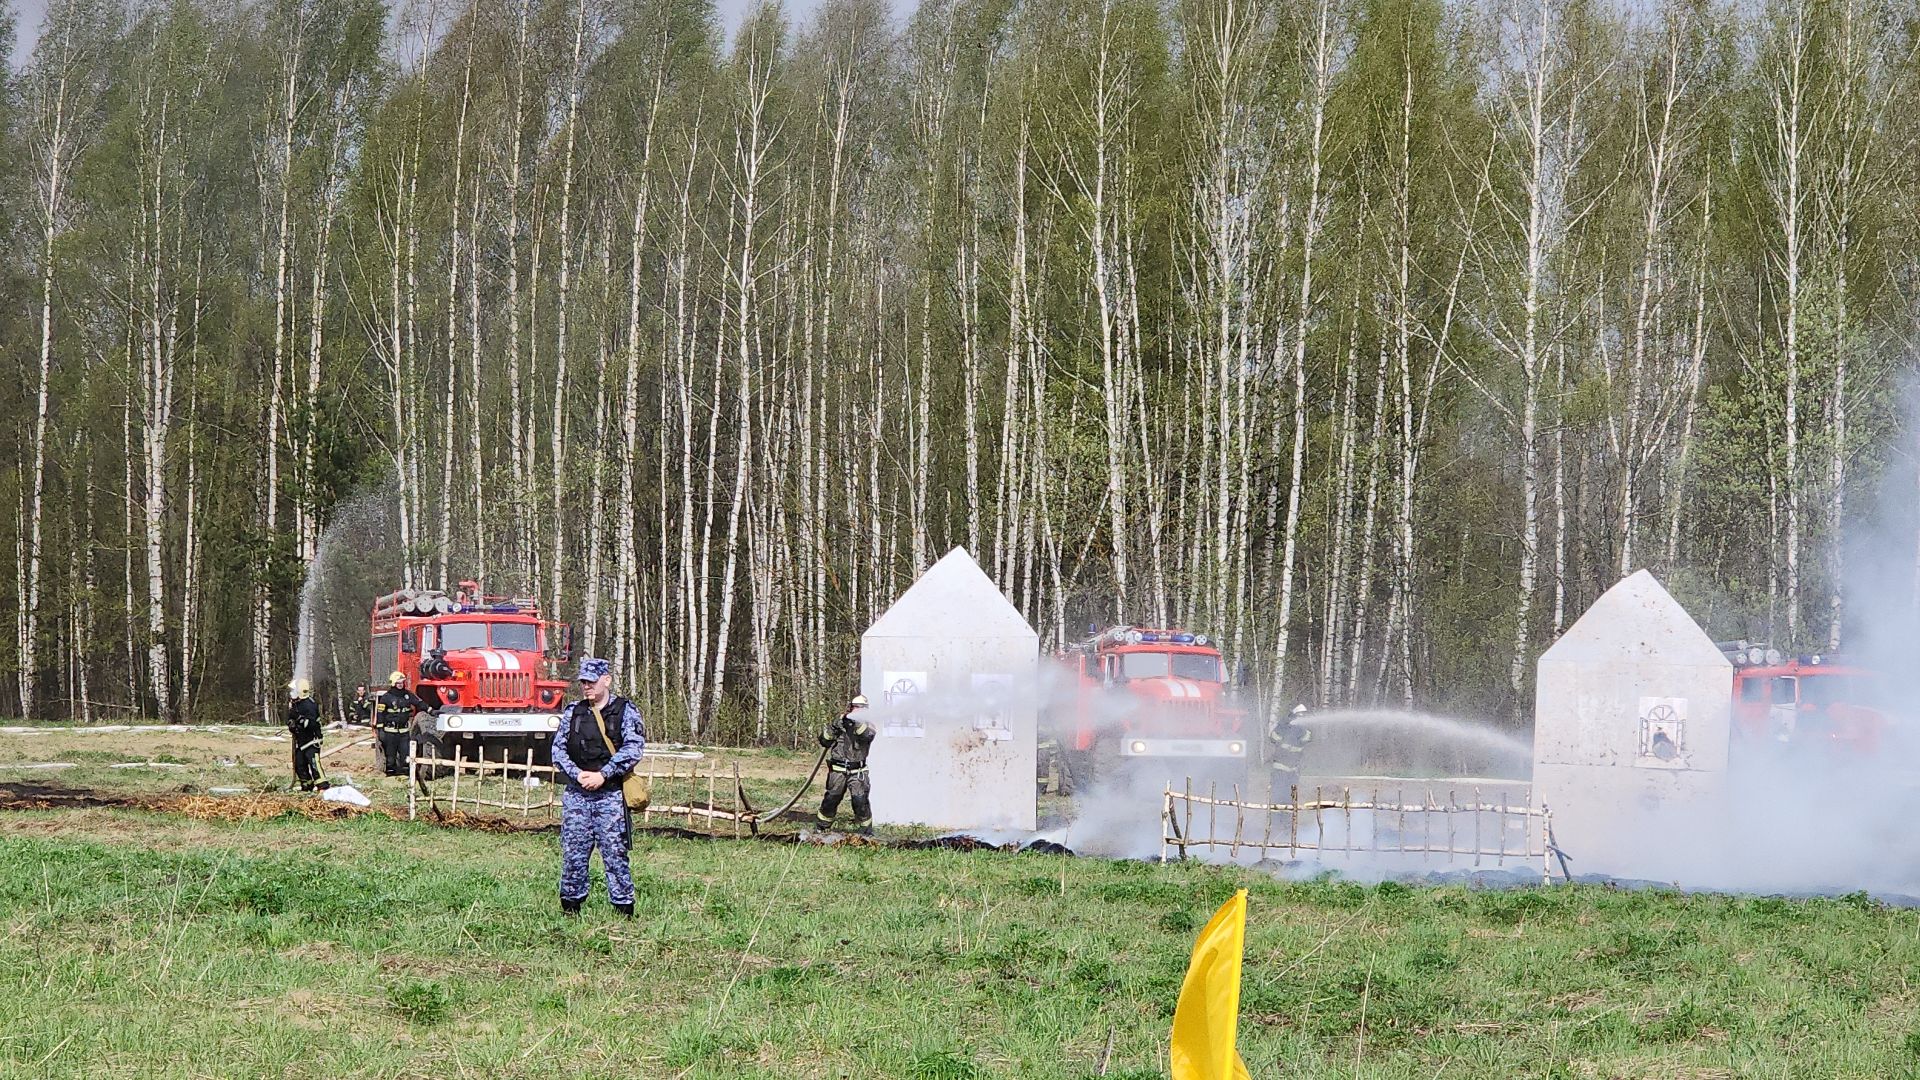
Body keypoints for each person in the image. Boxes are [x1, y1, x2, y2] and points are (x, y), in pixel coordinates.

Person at [552, 657, 646, 917]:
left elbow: (634, 748)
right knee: (573, 854)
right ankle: (571, 908)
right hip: (577, 795)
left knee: (615, 854)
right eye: (583, 682)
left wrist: (604, 774)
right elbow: (558, 750)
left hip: (611, 795)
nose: (587, 686)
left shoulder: (625, 711)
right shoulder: (573, 712)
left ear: (606, 680)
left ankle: (623, 910)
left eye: (591, 681)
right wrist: (577, 774)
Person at [815, 695, 876, 834]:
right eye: (856, 707)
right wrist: (834, 727)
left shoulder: (868, 724)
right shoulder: (840, 723)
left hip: (857, 772)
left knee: (860, 802)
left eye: (862, 708)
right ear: (851, 708)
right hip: (837, 771)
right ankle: (821, 828)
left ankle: (866, 832)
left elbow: (867, 736)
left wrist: (856, 723)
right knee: (831, 800)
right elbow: (824, 741)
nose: (858, 710)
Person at [375, 671, 433, 777]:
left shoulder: (407, 695)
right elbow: (380, 714)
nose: (400, 685)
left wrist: (430, 710)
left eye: (402, 682)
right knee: (391, 756)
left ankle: (405, 773)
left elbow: (419, 703)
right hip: (390, 732)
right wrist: (380, 730)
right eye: (398, 683)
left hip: (404, 733)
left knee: (405, 755)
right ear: (393, 684)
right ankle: (391, 774)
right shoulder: (386, 697)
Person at [1267, 703, 1314, 800]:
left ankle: (1289, 808)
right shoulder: (1283, 726)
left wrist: (1300, 730)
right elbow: (1273, 737)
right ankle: (1276, 808)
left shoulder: (1304, 730)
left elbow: (1307, 739)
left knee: (1291, 795)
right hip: (1280, 767)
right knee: (1278, 793)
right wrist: (1283, 727)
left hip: (1293, 768)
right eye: (1300, 716)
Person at [287, 679, 325, 792]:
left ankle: (323, 786)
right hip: (301, 741)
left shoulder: (309, 705)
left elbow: (311, 724)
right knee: (299, 764)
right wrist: (292, 724)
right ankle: (307, 785)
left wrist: (299, 719)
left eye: (294, 690)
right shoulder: (296, 705)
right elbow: (291, 720)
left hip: (312, 740)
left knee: (314, 764)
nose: (291, 693)